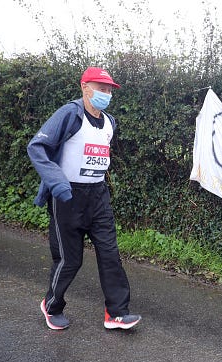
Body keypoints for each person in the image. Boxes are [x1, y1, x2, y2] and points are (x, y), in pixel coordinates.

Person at [27, 66, 141, 330]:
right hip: (67, 196)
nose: (106, 93)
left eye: (109, 89)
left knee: (110, 253)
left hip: (98, 196)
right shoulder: (70, 114)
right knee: (70, 259)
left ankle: (116, 313)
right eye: (101, 88)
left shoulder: (110, 122)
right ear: (84, 87)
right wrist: (57, 183)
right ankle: (52, 305)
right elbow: (37, 146)